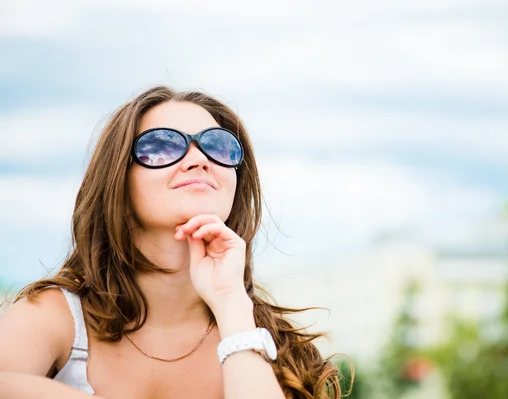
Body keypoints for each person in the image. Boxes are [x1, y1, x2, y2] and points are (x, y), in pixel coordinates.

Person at [0, 86, 347, 398]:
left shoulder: (276, 345)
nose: (199, 160)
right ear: (117, 178)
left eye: (218, 146)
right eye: (161, 146)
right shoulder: (58, 315)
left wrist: (232, 307)